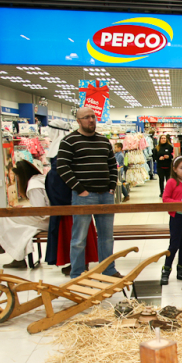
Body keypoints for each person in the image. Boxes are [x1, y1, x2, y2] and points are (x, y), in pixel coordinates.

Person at [57, 107, 121, 279]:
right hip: (83, 196)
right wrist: (79, 189)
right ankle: (77, 274)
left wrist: (111, 187)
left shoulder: (103, 141)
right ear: (78, 121)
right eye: (86, 117)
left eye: (93, 116)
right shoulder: (69, 141)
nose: (91, 120)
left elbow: (112, 165)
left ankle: (108, 270)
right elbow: (62, 167)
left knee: (107, 237)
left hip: (105, 195)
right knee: (79, 239)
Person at [44, 118, 99, 275]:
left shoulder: (63, 144)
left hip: (68, 196)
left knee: (75, 232)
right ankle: (76, 261)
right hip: (65, 195)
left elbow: (64, 171)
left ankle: (80, 262)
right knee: (74, 232)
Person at [0, 160, 49, 269]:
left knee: (8, 218)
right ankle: (18, 259)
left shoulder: (33, 185)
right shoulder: (39, 179)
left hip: (45, 220)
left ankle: (0, 245)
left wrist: (23, 209)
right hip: (47, 217)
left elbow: (39, 210)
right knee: (17, 226)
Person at [160, 156, 182, 285]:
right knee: (174, 245)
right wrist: (180, 204)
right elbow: (166, 199)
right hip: (177, 217)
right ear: (175, 169)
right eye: (181, 168)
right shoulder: (171, 182)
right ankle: (166, 271)